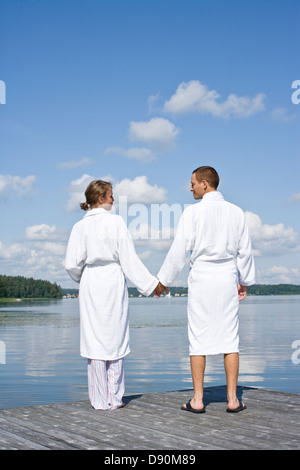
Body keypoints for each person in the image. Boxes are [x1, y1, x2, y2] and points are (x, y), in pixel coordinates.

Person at [156, 166, 255, 413]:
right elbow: (245, 250)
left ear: (204, 184)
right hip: (226, 279)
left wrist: (163, 280)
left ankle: (198, 400)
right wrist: (244, 280)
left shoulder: (192, 213)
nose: (189, 188)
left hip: (201, 280)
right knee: (230, 339)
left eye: (192, 183)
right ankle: (233, 400)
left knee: (198, 339)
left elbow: (179, 250)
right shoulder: (236, 212)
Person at [65, 180, 165, 410]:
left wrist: (85, 279)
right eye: (111, 195)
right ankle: (115, 398)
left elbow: (71, 264)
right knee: (116, 336)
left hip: (91, 281)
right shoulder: (116, 222)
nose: (113, 198)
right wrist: (152, 285)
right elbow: (129, 260)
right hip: (112, 279)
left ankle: (99, 400)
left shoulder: (79, 227)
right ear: (100, 198)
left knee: (94, 339)